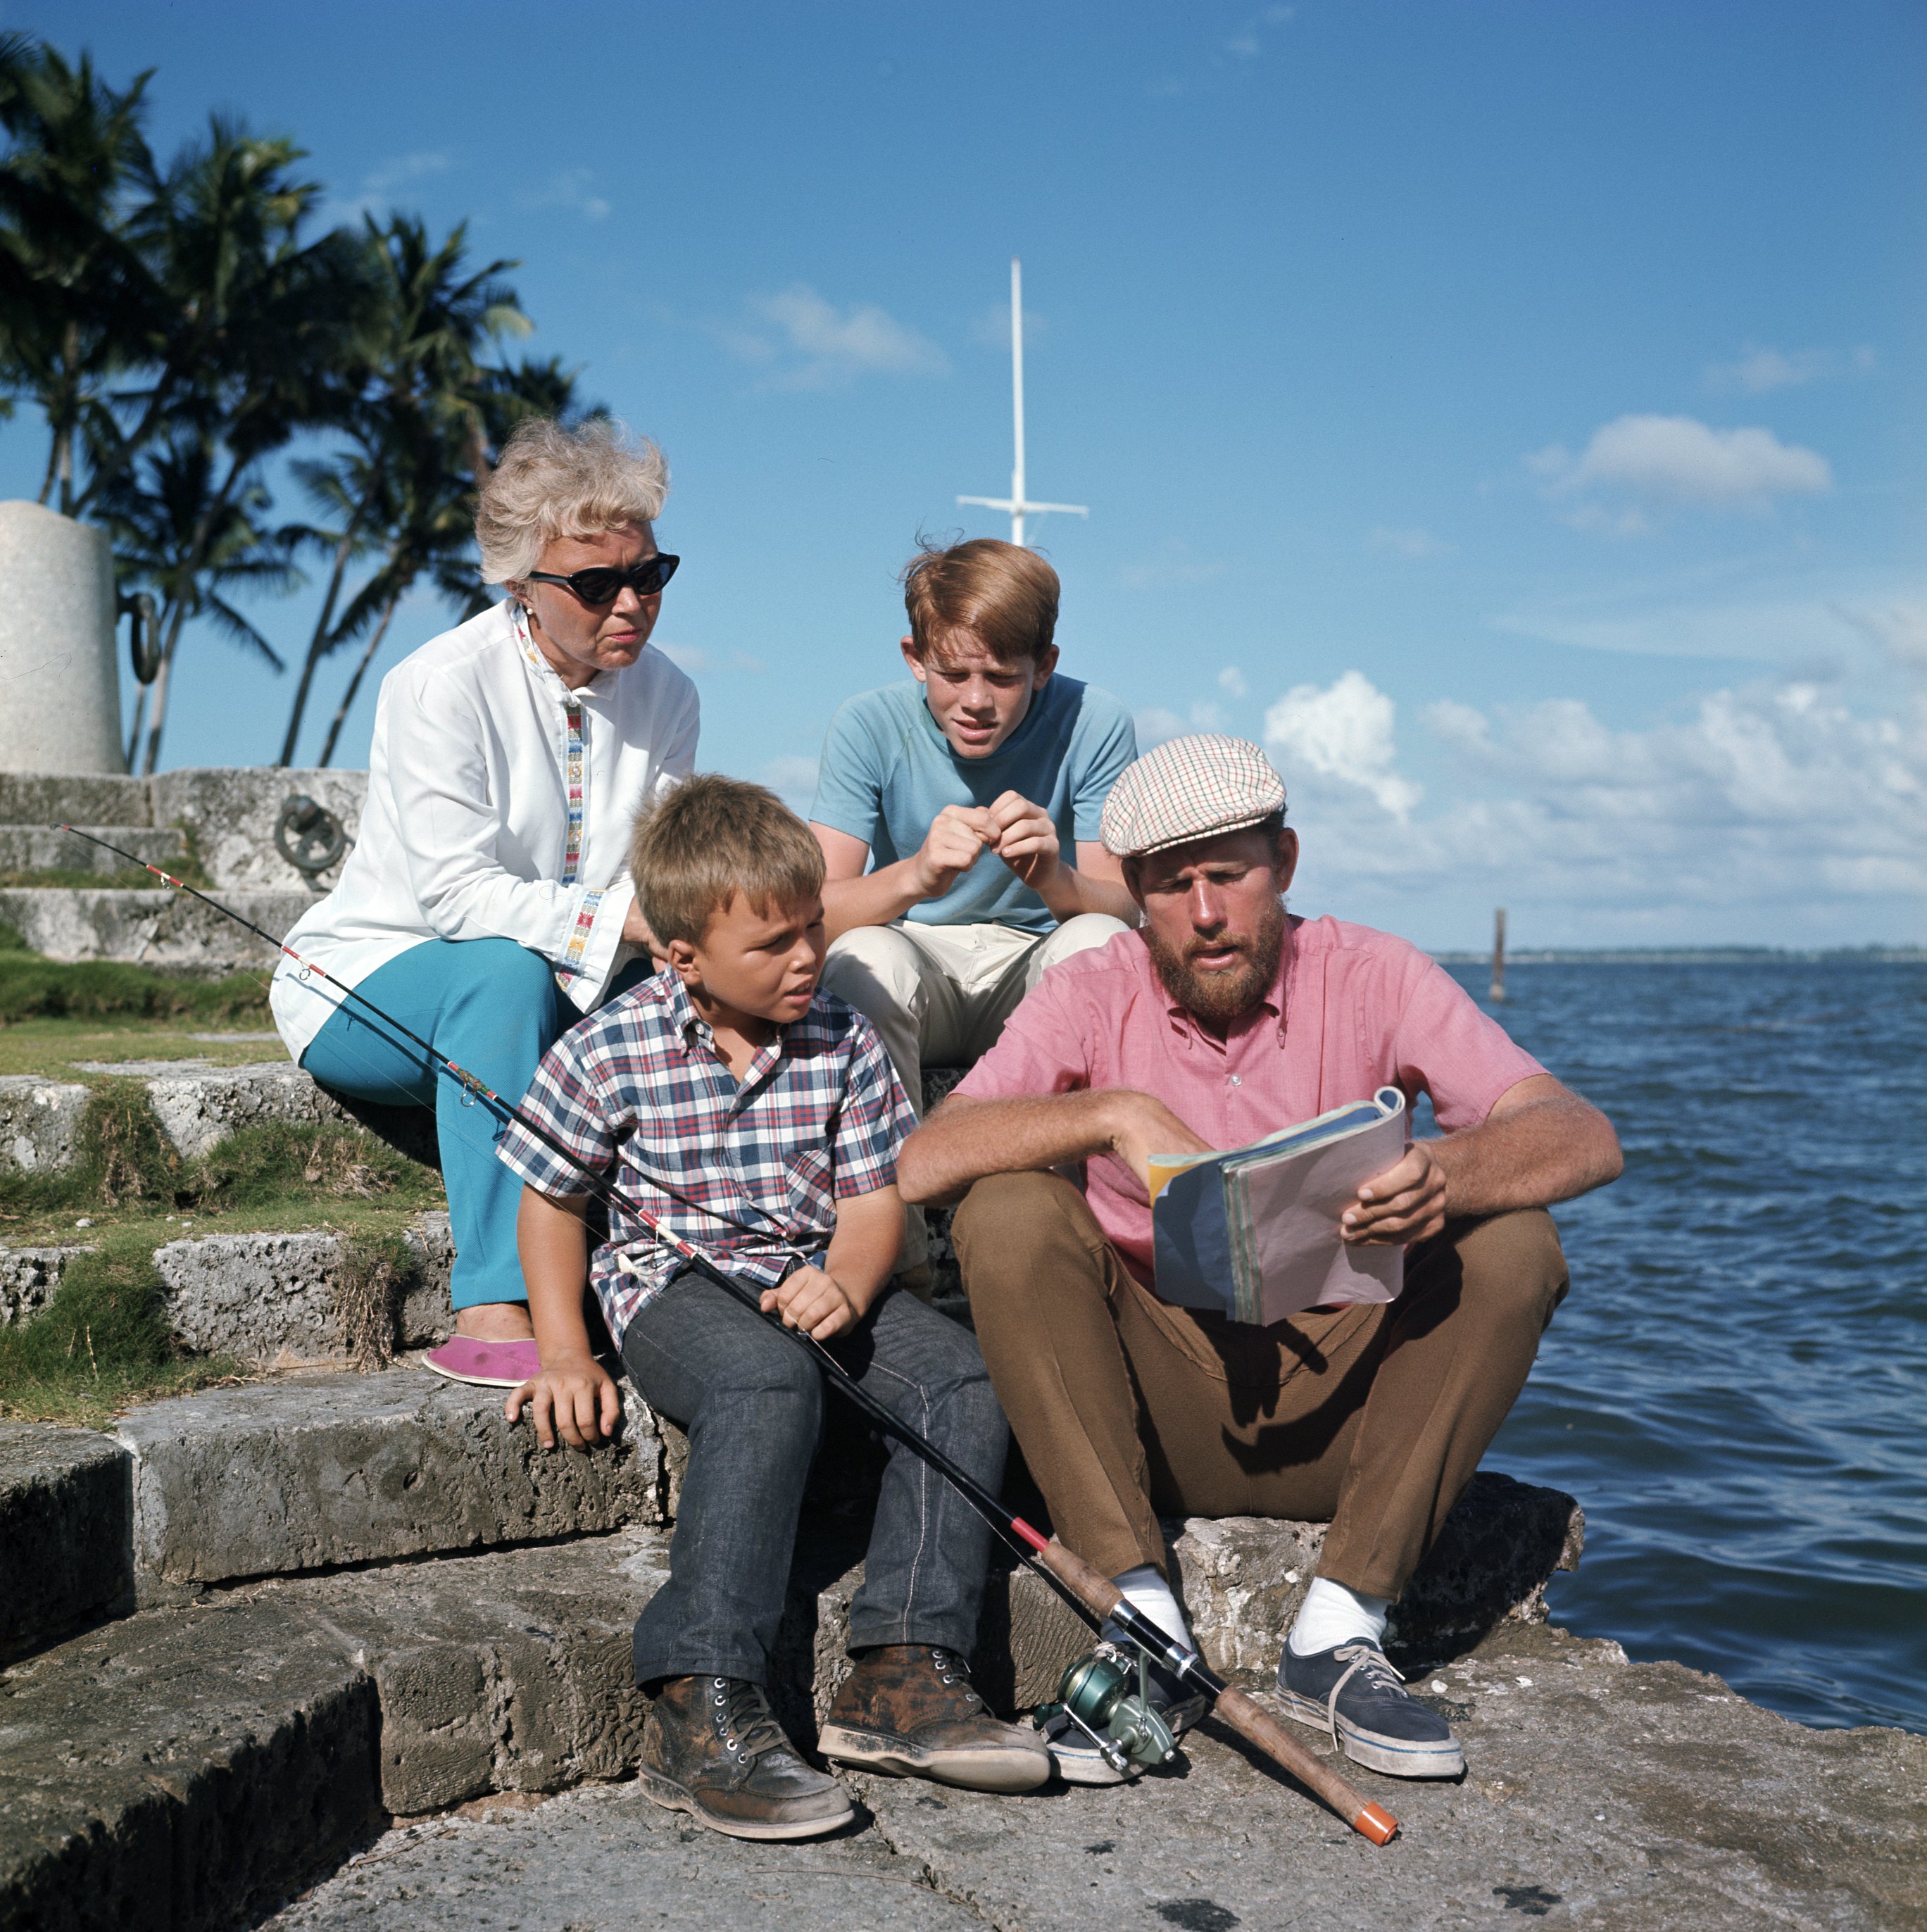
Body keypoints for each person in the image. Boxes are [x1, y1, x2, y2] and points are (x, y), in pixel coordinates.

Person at [896, 734, 1623, 1784]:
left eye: (1228, 875)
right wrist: (1109, 1115)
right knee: (1006, 1210)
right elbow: (926, 1161)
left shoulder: (1376, 970)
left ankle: (1340, 1628)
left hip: (1350, 1410)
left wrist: (1444, 1173)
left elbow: (1581, 1133)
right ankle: (1141, 1623)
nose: (1203, 913)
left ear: (1282, 861)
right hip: (1160, 1412)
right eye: (1169, 886)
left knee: (1514, 1238)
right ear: (1134, 895)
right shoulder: (1093, 988)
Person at [495, 775, 1051, 1840]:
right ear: (683, 959)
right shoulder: (610, 1049)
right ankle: (698, 1695)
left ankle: (900, 1670)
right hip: (675, 1289)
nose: (807, 958)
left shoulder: (841, 1038)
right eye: (775, 946)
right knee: (763, 1379)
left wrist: (848, 1278)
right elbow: (553, 1204)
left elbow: (872, 1200)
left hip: (812, 1269)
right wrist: (563, 1349)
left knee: (959, 1377)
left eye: (812, 930)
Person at [269, 419, 698, 1388]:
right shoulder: (438, 684)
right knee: (505, 973)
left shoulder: (671, 696)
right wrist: (628, 924)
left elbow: (659, 870)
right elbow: (460, 899)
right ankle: (494, 1297)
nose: (632, 603)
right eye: (596, 585)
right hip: (370, 980)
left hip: (557, 982)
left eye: (651, 574)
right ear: (519, 584)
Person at [809, 537, 1139, 1276]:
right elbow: (813, 914)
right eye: (953, 673)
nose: (976, 699)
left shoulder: (1096, 720)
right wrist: (916, 876)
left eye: (1003, 676)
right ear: (913, 656)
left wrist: (1054, 877)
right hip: (920, 960)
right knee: (864, 957)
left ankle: (1066, 1242)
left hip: (1034, 967)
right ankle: (898, 1255)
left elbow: (1122, 910)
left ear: (1044, 665)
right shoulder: (867, 725)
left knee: (1092, 943)